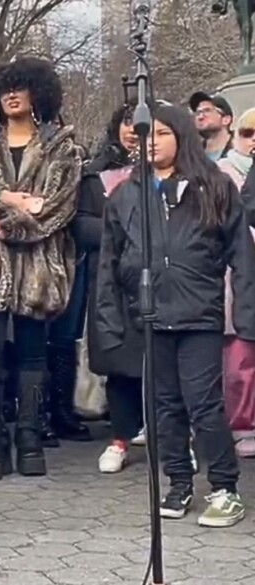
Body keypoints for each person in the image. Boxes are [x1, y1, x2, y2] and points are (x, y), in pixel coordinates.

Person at [97, 104, 255, 527]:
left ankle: (225, 487)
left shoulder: (215, 186)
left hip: (199, 312)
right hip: (150, 314)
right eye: (146, 134)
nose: (153, 142)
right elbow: (110, 260)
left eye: (163, 133)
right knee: (163, 406)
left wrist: (245, 315)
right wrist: (110, 319)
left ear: (182, 136)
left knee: (203, 403)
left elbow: (241, 253)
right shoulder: (127, 194)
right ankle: (178, 482)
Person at [0, 58, 82, 480]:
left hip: (38, 264)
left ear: (36, 93)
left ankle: (29, 436)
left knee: (33, 351)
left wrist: (12, 214)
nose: (12, 95)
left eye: (21, 87)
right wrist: (15, 202)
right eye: (5, 88)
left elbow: (57, 204)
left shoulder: (61, 144)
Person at [74, 102, 145, 474]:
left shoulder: (172, 172)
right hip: (111, 281)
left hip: (157, 281)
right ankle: (119, 438)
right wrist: (118, 228)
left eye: (140, 124)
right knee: (117, 363)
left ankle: (169, 437)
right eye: (126, 123)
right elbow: (82, 226)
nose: (132, 130)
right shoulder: (95, 174)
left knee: (162, 362)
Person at [217, 107, 255, 458]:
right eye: (248, 134)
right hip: (244, 270)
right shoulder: (226, 172)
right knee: (240, 357)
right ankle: (242, 424)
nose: (254, 141)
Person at [189, 92, 233, 161]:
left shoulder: (242, 148)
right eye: (198, 113)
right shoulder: (193, 154)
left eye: (207, 111)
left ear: (226, 120)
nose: (200, 117)